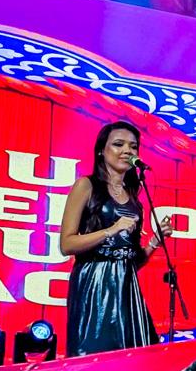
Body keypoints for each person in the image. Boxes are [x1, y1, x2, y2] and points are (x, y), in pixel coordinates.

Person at [57, 121, 172, 355]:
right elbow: (66, 244)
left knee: (138, 356)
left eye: (133, 146)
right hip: (94, 282)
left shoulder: (134, 199)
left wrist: (154, 242)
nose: (127, 151)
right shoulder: (86, 186)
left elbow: (131, 261)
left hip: (126, 285)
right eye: (118, 144)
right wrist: (111, 229)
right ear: (102, 150)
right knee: (96, 354)